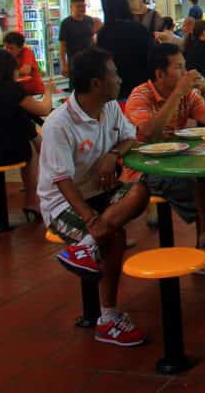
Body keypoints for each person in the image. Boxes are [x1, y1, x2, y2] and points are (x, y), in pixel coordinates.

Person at [38, 47, 150, 346]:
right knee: (113, 237)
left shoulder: (111, 108)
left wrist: (112, 155)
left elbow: (129, 137)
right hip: (64, 204)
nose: (120, 78)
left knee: (141, 189)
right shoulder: (58, 124)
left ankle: (88, 244)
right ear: (96, 83)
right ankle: (108, 318)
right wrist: (89, 217)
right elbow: (61, 180)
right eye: (114, 73)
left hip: (101, 194)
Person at [125, 44, 205, 277]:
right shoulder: (140, 95)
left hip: (175, 161)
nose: (185, 73)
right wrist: (177, 94)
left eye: (185, 67)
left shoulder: (189, 95)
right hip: (142, 168)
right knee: (200, 185)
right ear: (160, 74)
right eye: (179, 67)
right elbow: (149, 133)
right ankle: (204, 249)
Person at [0, 50, 55, 220]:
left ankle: (47, 185)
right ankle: (31, 200)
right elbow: (43, 109)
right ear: (11, 69)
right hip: (4, 153)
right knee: (29, 150)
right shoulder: (12, 90)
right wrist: (48, 90)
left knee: (23, 124)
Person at [95, 0, 153, 101]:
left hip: (113, 97)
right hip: (139, 96)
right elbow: (151, 62)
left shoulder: (103, 32)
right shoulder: (137, 30)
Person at [59, 0, 96, 82]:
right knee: (76, 86)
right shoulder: (66, 23)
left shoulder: (89, 20)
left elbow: (92, 39)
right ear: (71, 7)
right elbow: (62, 46)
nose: (82, 9)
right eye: (78, 6)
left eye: (83, 6)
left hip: (89, 60)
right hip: (74, 62)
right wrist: (64, 65)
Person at [2, 32, 46, 96]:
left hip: (34, 92)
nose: (8, 51)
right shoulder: (7, 54)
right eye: (6, 47)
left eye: (11, 48)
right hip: (20, 91)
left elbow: (26, 70)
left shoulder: (27, 52)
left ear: (20, 48)